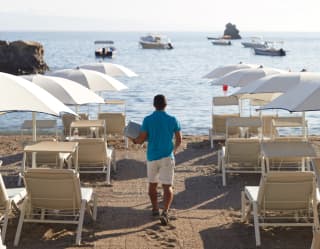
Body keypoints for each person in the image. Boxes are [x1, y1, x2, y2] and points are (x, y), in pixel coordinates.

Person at [132, 94, 182, 225]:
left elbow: (141, 138)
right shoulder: (173, 119)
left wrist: (134, 140)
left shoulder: (148, 119)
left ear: (154, 105)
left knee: (152, 185)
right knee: (168, 186)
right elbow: (179, 139)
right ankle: (165, 211)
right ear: (166, 105)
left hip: (152, 156)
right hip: (167, 156)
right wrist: (174, 151)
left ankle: (155, 209)